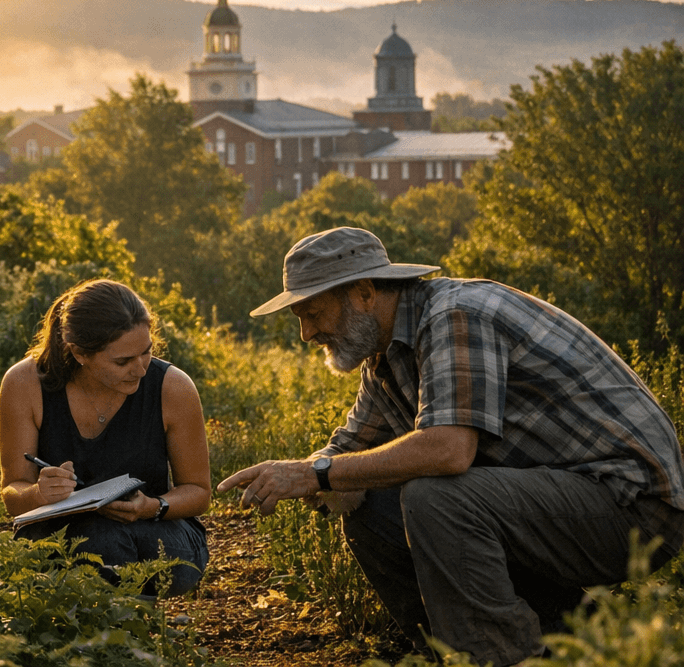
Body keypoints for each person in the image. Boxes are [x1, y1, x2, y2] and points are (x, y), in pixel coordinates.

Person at [217, 227, 684, 667]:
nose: (307, 334)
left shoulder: (456, 314)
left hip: (632, 505)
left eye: (313, 314)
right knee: (365, 502)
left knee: (435, 496)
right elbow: (345, 450)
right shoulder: (384, 355)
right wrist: (303, 474)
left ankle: (500, 657)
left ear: (363, 293)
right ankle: (477, 646)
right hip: (555, 506)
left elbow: (448, 451)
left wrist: (314, 474)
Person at [0, 279, 210, 595]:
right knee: (96, 539)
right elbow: (13, 491)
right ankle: (116, 626)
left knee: (107, 542)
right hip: (64, 533)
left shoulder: (173, 387)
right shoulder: (24, 383)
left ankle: (118, 627)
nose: (139, 369)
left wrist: (152, 506)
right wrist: (38, 494)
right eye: (122, 361)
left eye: (147, 352)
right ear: (80, 353)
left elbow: (198, 491)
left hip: (155, 528)